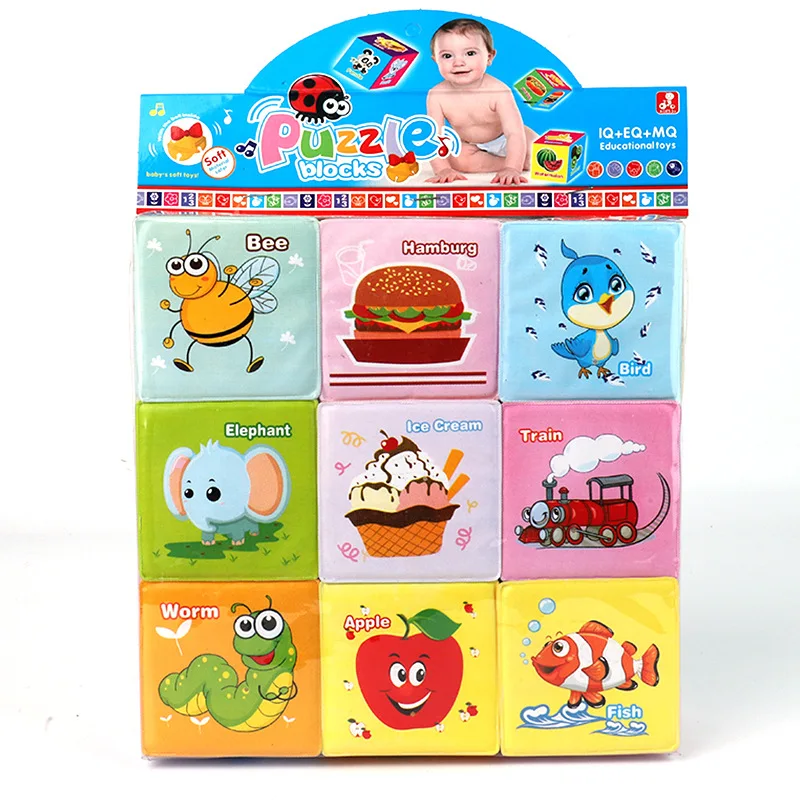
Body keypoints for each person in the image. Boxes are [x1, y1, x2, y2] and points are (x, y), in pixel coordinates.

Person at [426, 18, 535, 185]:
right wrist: (442, 170)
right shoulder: (436, 95)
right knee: (457, 160)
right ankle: (502, 164)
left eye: (470, 53)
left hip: (507, 137)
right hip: (472, 145)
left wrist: (513, 167)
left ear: (489, 57)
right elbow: (435, 136)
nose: (458, 63)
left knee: (535, 149)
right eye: (447, 56)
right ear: (436, 60)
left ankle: (518, 163)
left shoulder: (498, 91)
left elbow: (514, 133)